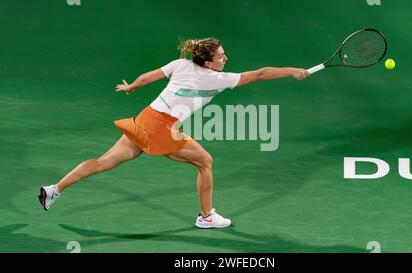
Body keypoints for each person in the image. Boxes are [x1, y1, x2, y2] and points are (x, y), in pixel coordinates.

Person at [38, 37, 309, 229]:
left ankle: (55, 189)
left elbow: (147, 78)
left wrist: (131, 86)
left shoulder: (179, 65)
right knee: (205, 161)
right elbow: (261, 74)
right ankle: (206, 216)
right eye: (221, 56)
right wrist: (293, 71)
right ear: (208, 62)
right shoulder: (218, 79)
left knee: (103, 161)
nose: (226, 58)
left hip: (144, 118)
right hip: (162, 129)